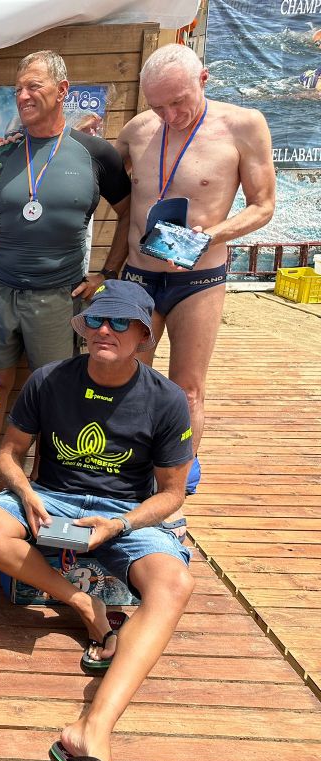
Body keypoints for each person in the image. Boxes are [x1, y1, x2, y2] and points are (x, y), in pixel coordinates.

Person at [0, 280, 194, 761]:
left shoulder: (167, 399)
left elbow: (173, 494)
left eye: (118, 322)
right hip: (51, 498)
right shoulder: (49, 379)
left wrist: (119, 525)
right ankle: (81, 602)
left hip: (122, 513)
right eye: (95, 320)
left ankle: (94, 727)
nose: (104, 330)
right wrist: (25, 492)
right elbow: (8, 454)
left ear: (143, 335)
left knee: (174, 582)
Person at [0, 50, 131, 503]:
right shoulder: (0, 157)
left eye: (35, 87)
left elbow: (129, 214)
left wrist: (107, 273)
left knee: (51, 388)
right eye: (19, 90)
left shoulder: (95, 154)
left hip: (56, 298)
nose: (24, 95)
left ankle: (43, 481)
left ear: (62, 91)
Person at [115, 43, 275, 498]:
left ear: (203, 79)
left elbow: (263, 206)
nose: (170, 115)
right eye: (158, 105)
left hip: (198, 278)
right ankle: (125, 475)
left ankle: (173, 492)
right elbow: (102, 169)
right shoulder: (138, 129)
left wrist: (213, 235)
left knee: (186, 390)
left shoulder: (243, 125)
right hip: (140, 274)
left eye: (179, 101)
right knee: (126, 377)